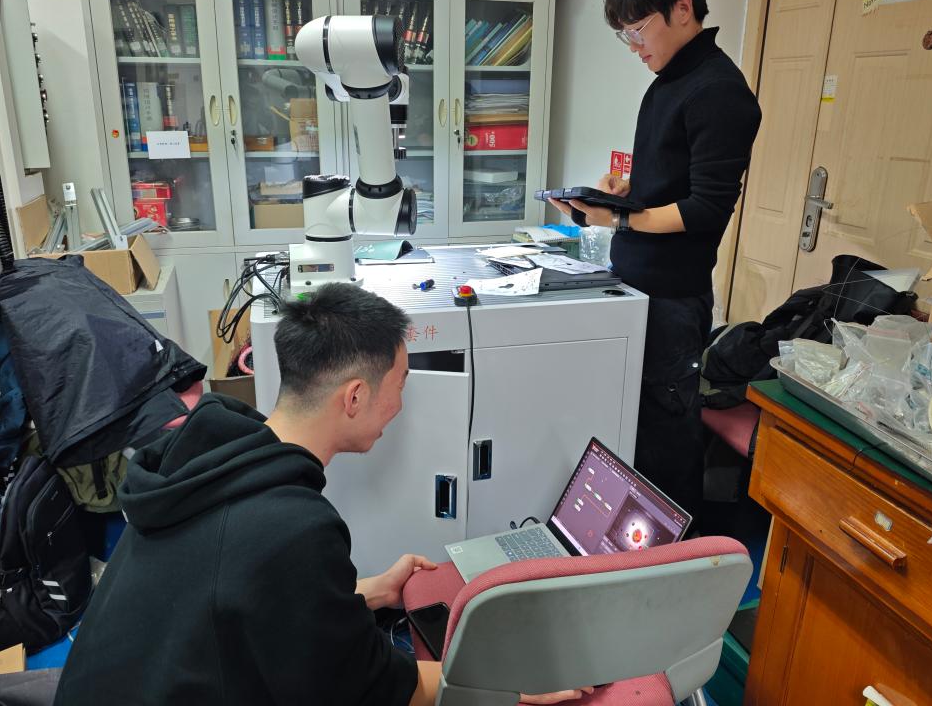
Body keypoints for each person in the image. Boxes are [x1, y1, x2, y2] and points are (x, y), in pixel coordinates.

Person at [54, 283, 591, 706]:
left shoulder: (213, 457)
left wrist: (363, 592)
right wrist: (505, 683)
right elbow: (372, 687)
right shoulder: (293, 526)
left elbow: (244, 596)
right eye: (401, 385)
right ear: (354, 397)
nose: (400, 406)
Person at [549, 0, 762, 521]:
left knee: (666, 440)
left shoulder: (720, 91)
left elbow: (705, 209)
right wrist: (622, 191)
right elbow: (670, 180)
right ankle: (626, 545)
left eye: (638, 30)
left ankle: (676, 558)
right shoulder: (668, 80)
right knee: (630, 430)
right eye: (625, 35)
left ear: (683, 8)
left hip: (672, 297)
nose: (634, 46)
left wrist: (618, 217)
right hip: (634, 283)